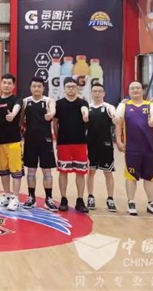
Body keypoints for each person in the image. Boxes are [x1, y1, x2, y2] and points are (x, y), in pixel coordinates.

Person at [115, 82, 153, 217]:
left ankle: (151, 203)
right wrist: (118, 140)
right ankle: (131, 202)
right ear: (128, 91)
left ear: (142, 91)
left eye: (137, 88)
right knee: (131, 176)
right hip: (132, 148)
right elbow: (118, 121)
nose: (135, 90)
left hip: (149, 147)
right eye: (132, 88)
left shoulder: (150, 105)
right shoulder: (124, 106)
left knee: (150, 177)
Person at [21, 77, 58, 211]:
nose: (36, 88)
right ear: (30, 87)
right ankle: (31, 197)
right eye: (34, 86)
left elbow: (53, 110)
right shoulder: (26, 101)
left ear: (43, 88)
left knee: (47, 171)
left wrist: (50, 114)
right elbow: (21, 120)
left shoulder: (48, 101)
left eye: (39, 86)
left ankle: (49, 199)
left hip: (45, 141)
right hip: (30, 140)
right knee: (31, 171)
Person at [53, 78, 89, 213]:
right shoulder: (59, 104)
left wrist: (85, 115)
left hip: (80, 142)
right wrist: (58, 139)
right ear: (64, 88)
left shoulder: (83, 103)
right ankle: (63, 199)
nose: (71, 89)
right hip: (64, 143)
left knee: (80, 172)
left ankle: (80, 200)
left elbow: (85, 111)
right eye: (68, 86)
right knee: (63, 172)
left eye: (73, 86)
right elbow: (55, 123)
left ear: (77, 88)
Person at [0, 73, 23, 211]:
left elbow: (17, 107)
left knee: (16, 171)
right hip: (0, 141)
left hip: (14, 141)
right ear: (1, 84)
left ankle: (15, 198)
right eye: (4, 82)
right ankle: (8, 195)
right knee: (3, 171)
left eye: (9, 83)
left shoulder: (16, 99)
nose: (6, 85)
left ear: (13, 85)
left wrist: (13, 114)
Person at [86, 83, 117, 212]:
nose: (97, 93)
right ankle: (90, 196)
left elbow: (115, 117)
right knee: (91, 172)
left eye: (99, 91)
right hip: (90, 144)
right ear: (91, 93)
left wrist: (115, 117)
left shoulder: (109, 107)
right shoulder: (87, 108)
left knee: (108, 173)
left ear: (104, 93)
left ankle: (110, 198)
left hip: (106, 144)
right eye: (94, 91)